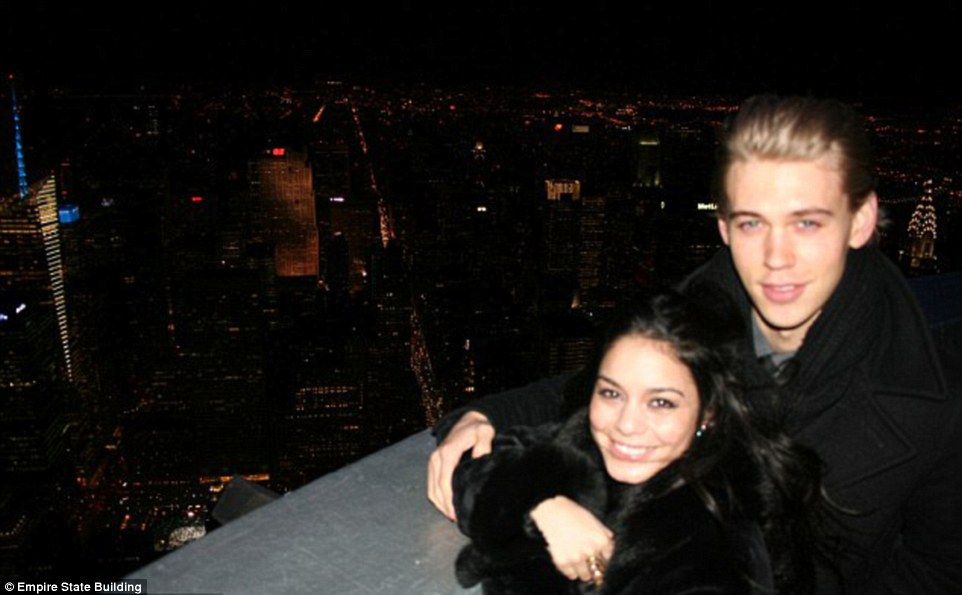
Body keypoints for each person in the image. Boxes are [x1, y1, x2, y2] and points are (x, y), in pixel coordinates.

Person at [428, 95, 962, 593]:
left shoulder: (932, 400)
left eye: (806, 223)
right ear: (724, 228)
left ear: (860, 221)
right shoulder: (699, 313)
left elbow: (936, 571)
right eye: (752, 224)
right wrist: (481, 418)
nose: (777, 257)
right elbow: (600, 392)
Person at [453, 291, 822, 594]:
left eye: (660, 403)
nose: (626, 425)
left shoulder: (714, 549)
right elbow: (475, 471)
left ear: (707, 413)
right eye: (612, 393)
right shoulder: (582, 442)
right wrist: (546, 508)